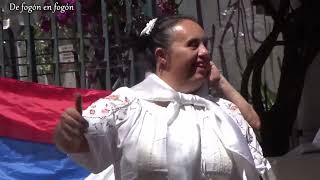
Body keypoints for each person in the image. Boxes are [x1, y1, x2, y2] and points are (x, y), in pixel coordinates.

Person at [54, 15, 273, 180]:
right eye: (193, 44)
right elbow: (80, 143)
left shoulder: (225, 112)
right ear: (162, 57)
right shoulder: (127, 105)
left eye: (205, 44)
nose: (205, 52)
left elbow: (257, 162)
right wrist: (68, 133)